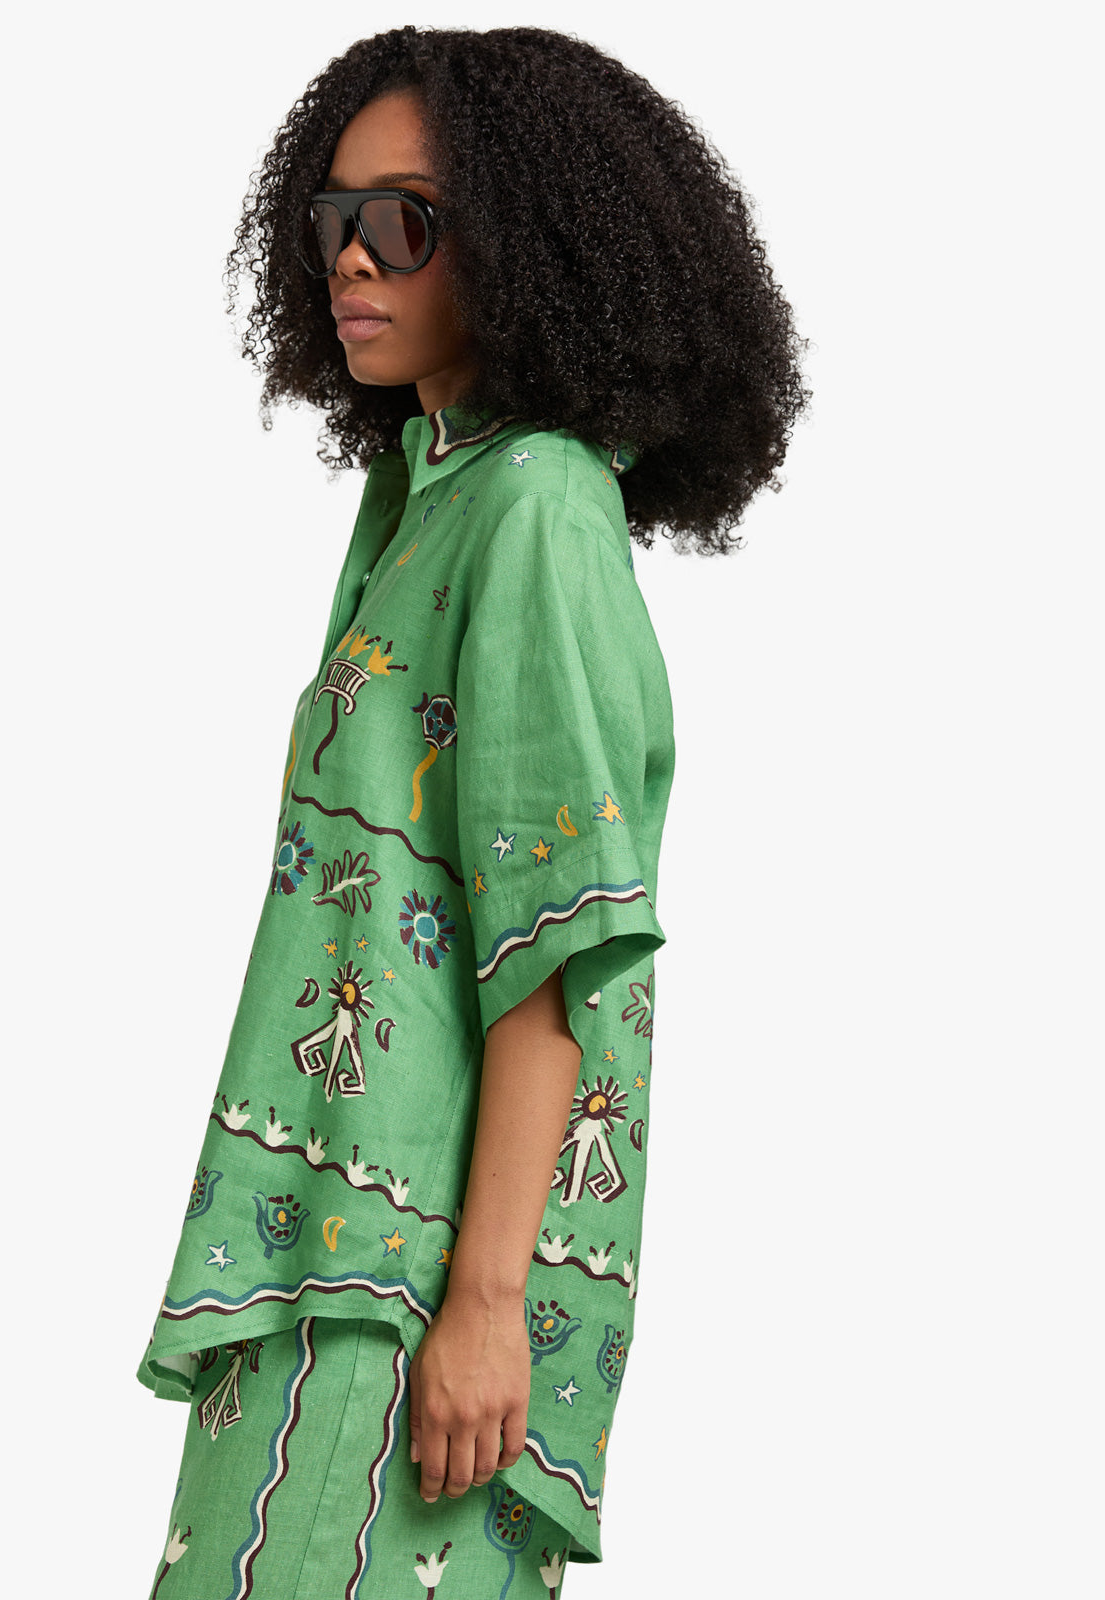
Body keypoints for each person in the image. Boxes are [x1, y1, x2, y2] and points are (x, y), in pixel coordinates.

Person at [136, 24, 810, 1598]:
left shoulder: (536, 509)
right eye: (332, 217)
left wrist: (488, 1306)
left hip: (417, 1280)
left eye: (404, 220)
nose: (349, 257)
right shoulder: (425, 494)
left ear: (526, 244)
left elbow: (554, 948)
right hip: (326, 1247)